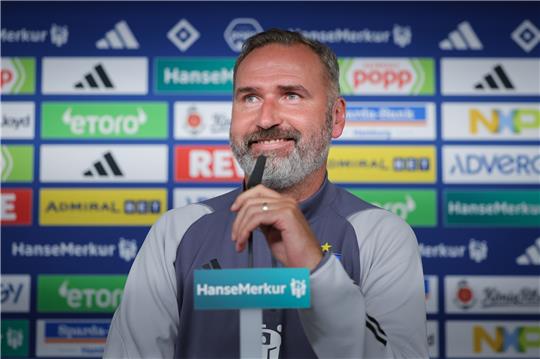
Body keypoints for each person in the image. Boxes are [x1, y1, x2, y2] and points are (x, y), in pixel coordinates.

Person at [104, 29, 428, 358]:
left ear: (336, 117)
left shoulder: (379, 234)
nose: (266, 118)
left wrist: (317, 270)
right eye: (250, 98)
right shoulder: (176, 233)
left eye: (290, 95)